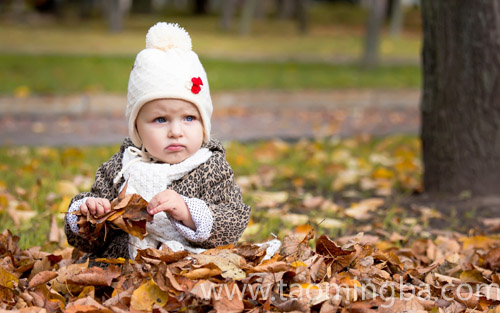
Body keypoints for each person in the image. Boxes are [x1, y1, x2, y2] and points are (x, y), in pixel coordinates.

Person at [64, 22, 251, 263]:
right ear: (137, 129)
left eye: (189, 118)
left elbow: (233, 220)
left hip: (188, 264)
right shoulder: (121, 168)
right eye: (160, 119)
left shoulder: (210, 167)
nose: (175, 131)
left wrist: (188, 212)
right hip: (122, 268)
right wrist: (90, 214)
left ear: (204, 124)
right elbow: (82, 241)